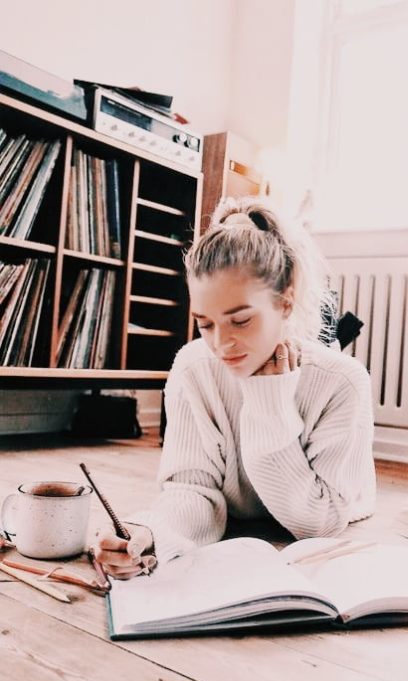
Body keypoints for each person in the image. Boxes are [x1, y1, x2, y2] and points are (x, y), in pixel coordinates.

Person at [94, 197, 376, 579]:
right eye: (205, 324)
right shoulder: (194, 368)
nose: (221, 345)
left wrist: (268, 403)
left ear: (286, 303)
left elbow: (317, 523)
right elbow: (193, 489)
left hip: (331, 519)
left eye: (240, 321)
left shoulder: (342, 381)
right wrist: (151, 531)